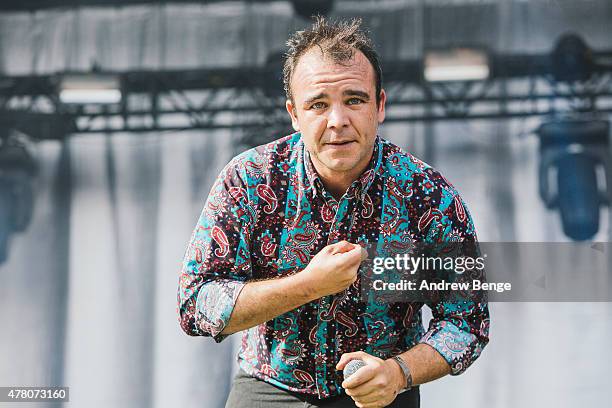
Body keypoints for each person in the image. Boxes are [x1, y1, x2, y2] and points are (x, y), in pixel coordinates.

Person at [178, 16, 489, 408]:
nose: (337, 121)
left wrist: (397, 373)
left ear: (380, 105)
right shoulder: (249, 181)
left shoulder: (428, 196)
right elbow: (196, 303)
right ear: (294, 114)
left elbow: (466, 323)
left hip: (383, 394)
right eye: (318, 104)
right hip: (269, 387)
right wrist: (308, 285)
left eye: (355, 100)